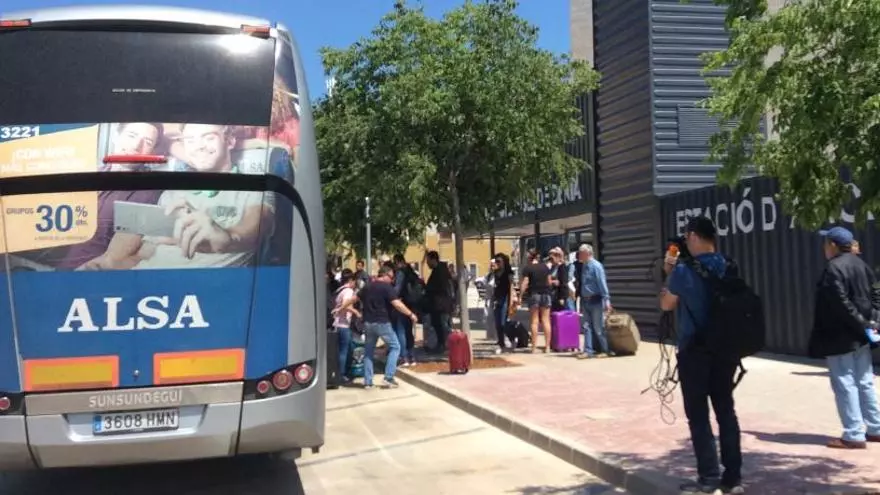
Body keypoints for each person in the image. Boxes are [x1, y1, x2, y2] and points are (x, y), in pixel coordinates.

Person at [660, 216, 743, 494]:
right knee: (726, 411)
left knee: (698, 416)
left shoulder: (683, 270)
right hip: (726, 350)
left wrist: (669, 271)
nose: (685, 243)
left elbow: (666, 304)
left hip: (695, 351)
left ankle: (708, 478)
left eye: (686, 238)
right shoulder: (728, 265)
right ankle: (733, 478)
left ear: (694, 236)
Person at [808, 226, 880, 449]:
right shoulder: (861, 264)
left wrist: (861, 322)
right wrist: (871, 322)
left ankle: (853, 434)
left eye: (825, 243)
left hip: (840, 336)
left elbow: (841, 304)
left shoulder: (833, 269)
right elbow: (876, 294)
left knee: (845, 383)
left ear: (832, 245)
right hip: (862, 335)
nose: (824, 248)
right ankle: (875, 428)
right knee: (864, 381)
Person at [333, 265, 418, 389]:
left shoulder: (367, 286)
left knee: (368, 352)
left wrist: (341, 307)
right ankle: (388, 378)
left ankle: (368, 382)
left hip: (368, 323)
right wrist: (410, 314)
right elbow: (397, 304)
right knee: (395, 347)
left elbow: (353, 299)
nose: (392, 280)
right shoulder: (386, 287)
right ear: (385, 275)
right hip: (382, 322)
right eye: (391, 277)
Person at [570, 244, 614, 359]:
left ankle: (605, 350)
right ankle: (588, 351)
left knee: (598, 327)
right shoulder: (584, 266)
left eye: (580, 253)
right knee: (586, 326)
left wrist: (607, 300)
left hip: (596, 300)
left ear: (587, 253)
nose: (579, 255)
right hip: (585, 300)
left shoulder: (596, 266)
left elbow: (602, 283)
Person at [518, 249, 552, 353]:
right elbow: (549, 281)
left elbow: (525, 282)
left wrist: (520, 295)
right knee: (546, 320)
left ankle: (533, 347)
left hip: (534, 294)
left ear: (529, 257)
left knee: (534, 321)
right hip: (546, 294)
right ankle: (547, 347)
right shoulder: (545, 267)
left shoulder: (528, 268)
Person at [332, 269, 360, 385]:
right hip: (343, 324)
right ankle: (342, 375)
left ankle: (341, 373)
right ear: (351, 280)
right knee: (345, 350)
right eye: (354, 281)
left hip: (337, 324)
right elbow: (346, 305)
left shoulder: (339, 290)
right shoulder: (348, 291)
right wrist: (356, 312)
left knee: (346, 349)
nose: (355, 284)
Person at [393, 253, 421, 367]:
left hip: (403, 303)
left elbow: (397, 289)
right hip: (412, 304)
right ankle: (412, 356)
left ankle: (404, 357)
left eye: (395, 263)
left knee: (401, 331)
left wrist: (392, 297)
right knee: (409, 331)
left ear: (398, 262)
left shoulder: (400, 273)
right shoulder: (412, 272)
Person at [425, 251, 454, 353]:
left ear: (433, 259)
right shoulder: (438, 270)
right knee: (438, 325)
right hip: (438, 304)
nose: (427, 263)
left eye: (428, 261)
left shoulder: (441, 271)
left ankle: (447, 345)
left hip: (442, 305)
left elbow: (441, 288)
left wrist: (428, 289)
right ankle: (441, 344)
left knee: (443, 326)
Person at [492, 253, 516, 354]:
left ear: (504, 262)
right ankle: (501, 344)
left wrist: (511, 302)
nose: (497, 263)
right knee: (497, 323)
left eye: (499, 261)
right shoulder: (495, 272)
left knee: (503, 323)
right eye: (496, 261)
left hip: (505, 298)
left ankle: (512, 339)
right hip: (497, 299)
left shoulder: (508, 273)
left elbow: (511, 287)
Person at [547, 247, 571, 312]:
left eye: (552, 258)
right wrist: (552, 281)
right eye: (550, 258)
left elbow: (563, 282)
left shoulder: (562, 267)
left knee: (561, 314)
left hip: (559, 295)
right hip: (552, 295)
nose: (551, 260)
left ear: (558, 257)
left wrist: (562, 297)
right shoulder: (551, 267)